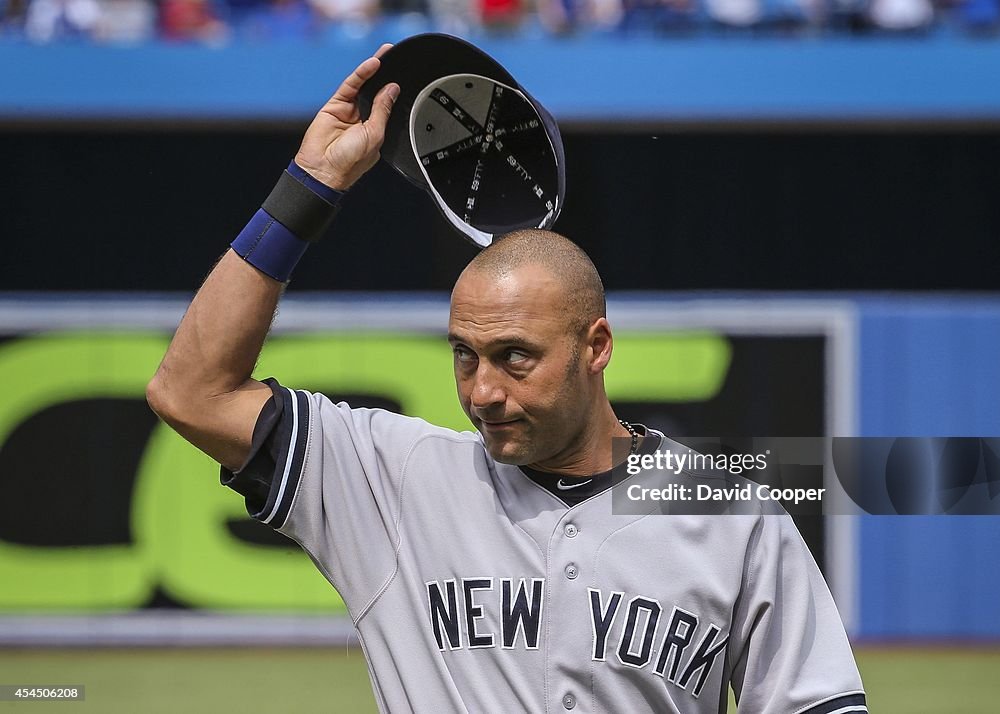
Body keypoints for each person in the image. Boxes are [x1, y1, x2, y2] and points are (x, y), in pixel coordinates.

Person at [147, 46, 868, 714]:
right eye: (464, 355)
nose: (483, 392)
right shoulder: (391, 482)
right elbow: (191, 391)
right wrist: (312, 185)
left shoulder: (731, 518)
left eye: (515, 357)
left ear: (597, 347)